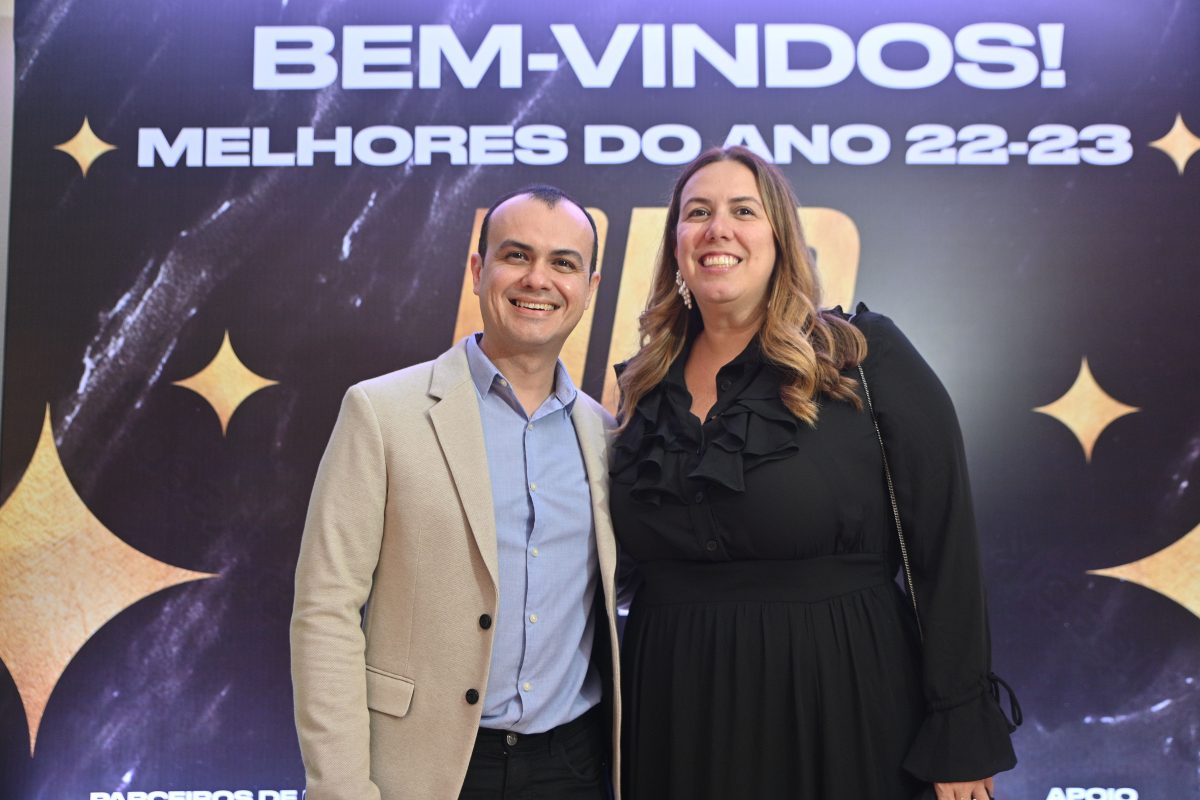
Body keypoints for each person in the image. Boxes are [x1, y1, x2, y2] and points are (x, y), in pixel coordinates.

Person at [610, 147, 1020, 800]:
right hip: (675, 710)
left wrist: (961, 725)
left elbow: (944, 549)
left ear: (781, 238)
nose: (718, 229)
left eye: (744, 211)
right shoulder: (641, 387)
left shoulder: (862, 356)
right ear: (676, 243)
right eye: (698, 213)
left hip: (841, 698)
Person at [291, 186, 622, 800]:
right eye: (516, 255)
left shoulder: (606, 436)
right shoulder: (381, 412)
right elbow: (325, 610)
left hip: (573, 766)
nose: (538, 279)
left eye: (563, 263)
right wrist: (340, 786)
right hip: (426, 769)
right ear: (477, 270)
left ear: (590, 288)